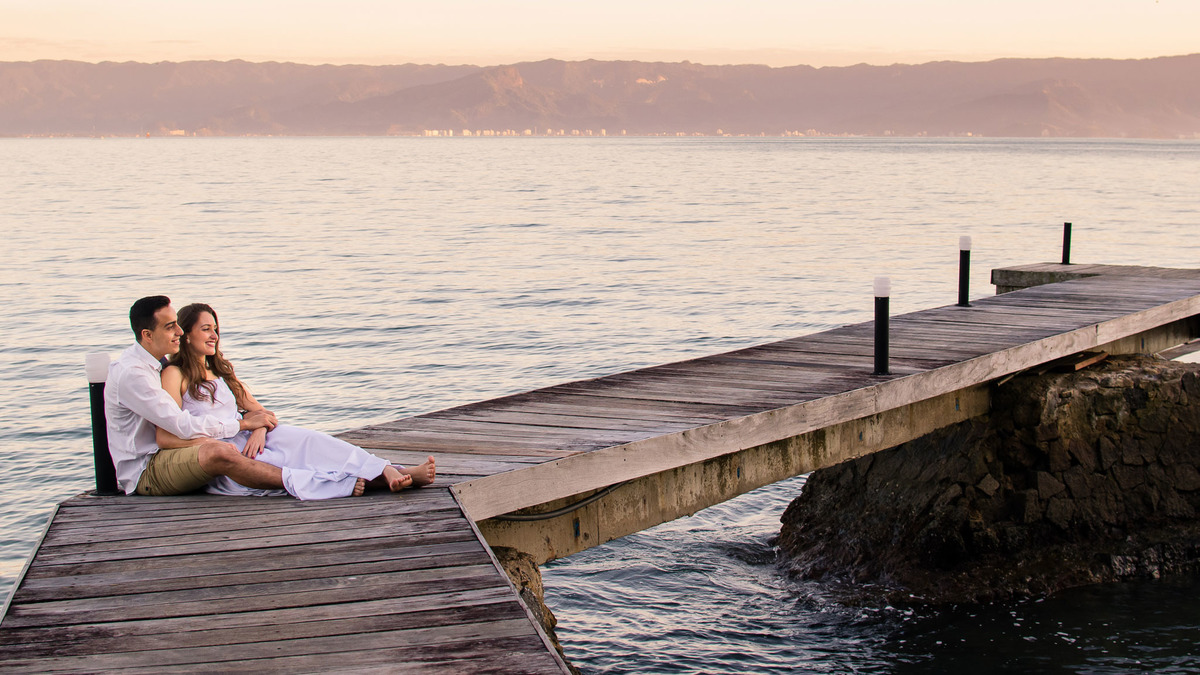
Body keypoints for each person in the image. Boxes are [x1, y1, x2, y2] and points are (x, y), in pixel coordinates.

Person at [155, 302, 435, 499]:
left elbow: (262, 412)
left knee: (312, 442)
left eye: (216, 328)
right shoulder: (175, 374)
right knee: (293, 469)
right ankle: (397, 477)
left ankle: (386, 468)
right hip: (221, 454)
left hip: (250, 440)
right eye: (206, 329)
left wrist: (259, 429)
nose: (214, 335)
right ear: (186, 334)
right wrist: (242, 429)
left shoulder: (220, 371)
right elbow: (171, 432)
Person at [105, 296, 286, 496]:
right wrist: (242, 425)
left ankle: (303, 473)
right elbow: (180, 424)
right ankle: (292, 482)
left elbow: (252, 409)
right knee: (220, 451)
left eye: (177, 324)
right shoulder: (134, 374)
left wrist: (255, 423)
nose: (179, 332)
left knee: (267, 439)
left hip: (173, 451)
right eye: (170, 327)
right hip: (147, 469)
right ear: (147, 335)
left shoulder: (158, 364)